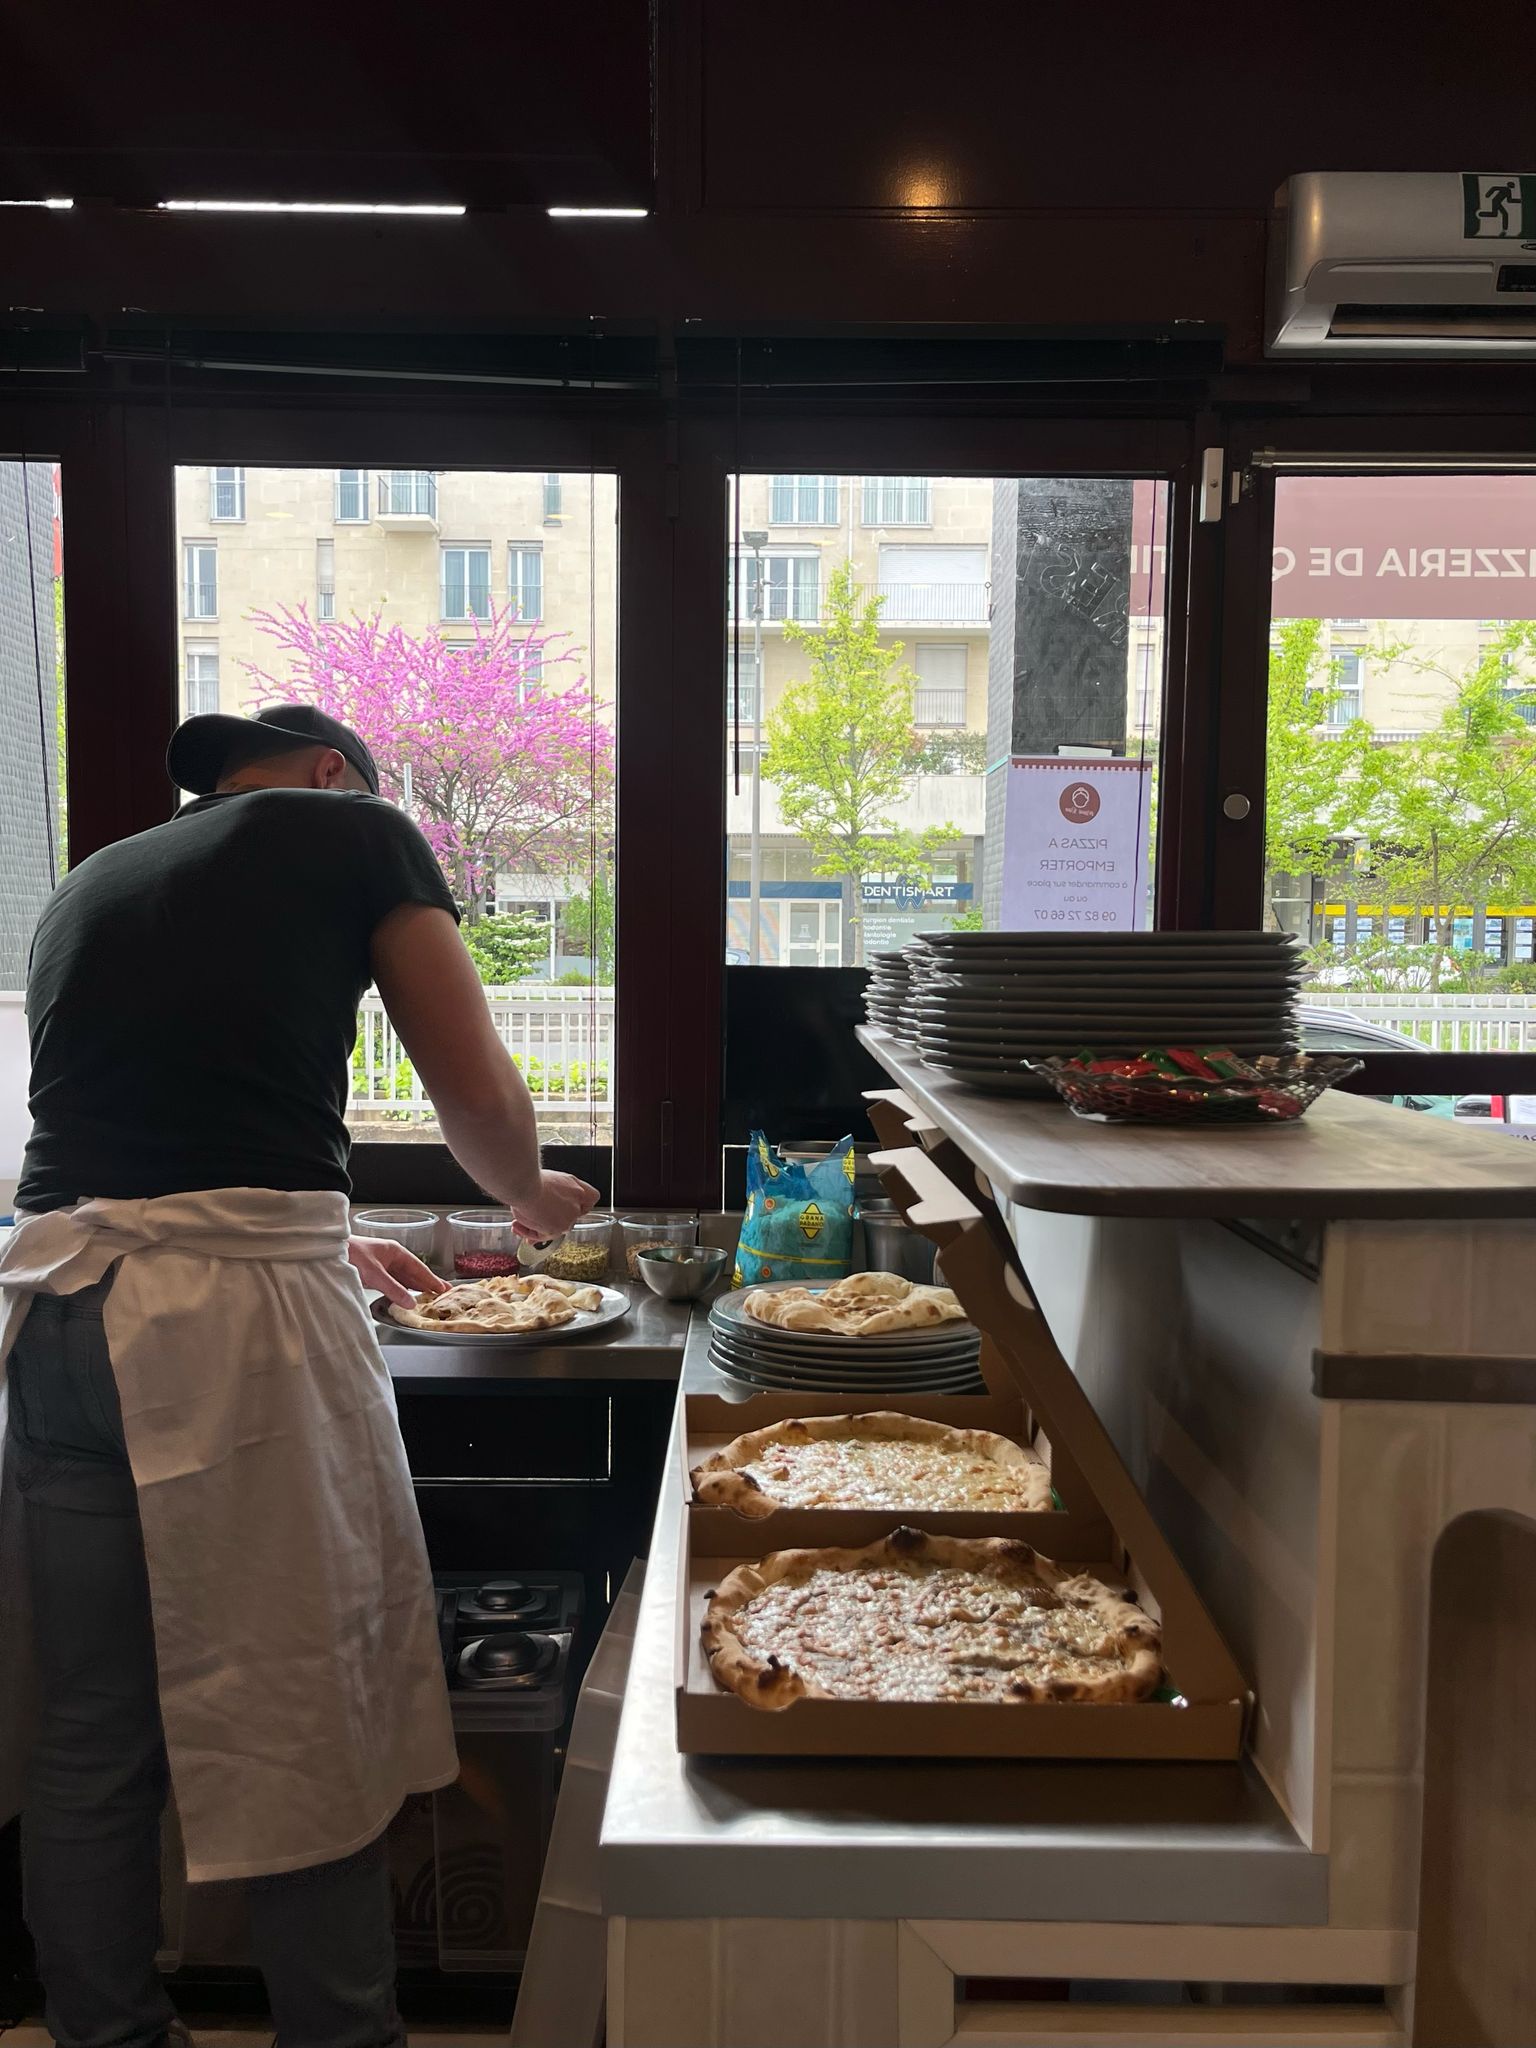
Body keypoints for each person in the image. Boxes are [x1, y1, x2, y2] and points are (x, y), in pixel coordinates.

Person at [0, 703, 598, 2048]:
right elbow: (475, 1095)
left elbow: (153, 1130)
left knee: (94, 1730)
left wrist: (329, 1220)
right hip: (224, 1332)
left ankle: (107, 2034)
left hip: (56, 1307)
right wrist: (534, 1196)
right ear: (335, 774)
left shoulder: (96, 878)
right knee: (297, 1708)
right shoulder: (352, 830)